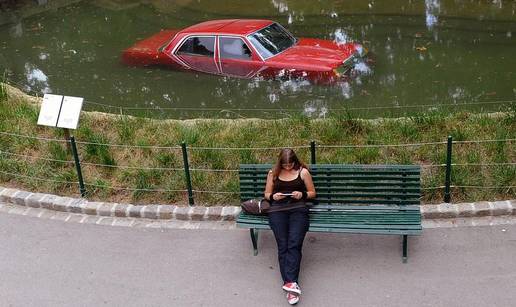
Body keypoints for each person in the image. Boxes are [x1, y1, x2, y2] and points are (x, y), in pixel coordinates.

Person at [264, 148, 316, 305]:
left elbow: (313, 192)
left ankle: (290, 283)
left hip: (298, 210)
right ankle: (291, 284)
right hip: (278, 210)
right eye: (285, 165)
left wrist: (303, 194)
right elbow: (266, 194)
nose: (287, 167)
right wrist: (274, 196)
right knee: (283, 245)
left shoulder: (303, 172)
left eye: (290, 164)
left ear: (295, 161)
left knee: (294, 244)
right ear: (280, 162)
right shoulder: (273, 173)